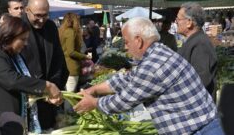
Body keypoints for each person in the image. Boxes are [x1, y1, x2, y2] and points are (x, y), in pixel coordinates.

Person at [74, 17, 224, 135]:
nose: (125, 47)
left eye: (126, 42)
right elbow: (128, 79)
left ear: (138, 41)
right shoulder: (158, 52)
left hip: (200, 131)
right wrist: (93, 90)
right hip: (203, 126)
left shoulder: (153, 65)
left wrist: (94, 103)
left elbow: (124, 100)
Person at [0, 16, 62, 134]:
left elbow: (25, 84)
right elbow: (12, 81)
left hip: (11, 123)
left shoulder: (14, 58)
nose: (26, 43)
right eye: (22, 39)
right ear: (8, 37)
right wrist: (47, 86)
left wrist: (45, 95)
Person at [21, 0, 69, 131]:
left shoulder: (51, 26)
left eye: (45, 15)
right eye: (37, 15)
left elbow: (58, 58)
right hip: (27, 93)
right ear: (27, 10)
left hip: (50, 93)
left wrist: (55, 87)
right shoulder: (17, 27)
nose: (41, 20)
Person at [176, 2, 217, 98]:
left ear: (189, 22)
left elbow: (202, 79)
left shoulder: (200, 44)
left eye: (178, 19)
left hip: (197, 107)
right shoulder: (194, 40)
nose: (176, 21)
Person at [59, 13, 92, 92]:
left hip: (64, 67)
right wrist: (85, 56)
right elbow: (71, 52)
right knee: (70, 95)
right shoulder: (70, 32)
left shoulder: (61, 31)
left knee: (66, 93)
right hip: (71, 68)